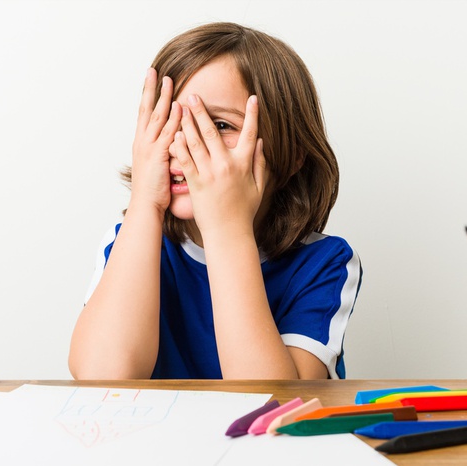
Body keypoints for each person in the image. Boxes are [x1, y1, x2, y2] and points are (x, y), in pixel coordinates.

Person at [68, 22, 361, 380]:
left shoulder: (324, 263)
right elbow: (103, 379)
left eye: (220, 126)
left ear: (292, 154)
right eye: (169, 123)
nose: (184, 145)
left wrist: (226, 227)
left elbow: (274, 401)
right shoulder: (130, 242)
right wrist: (145, 201)